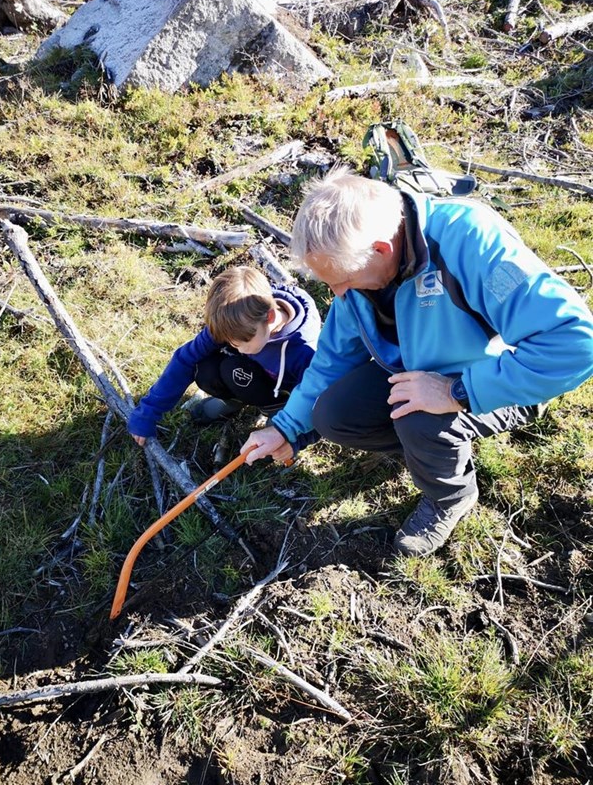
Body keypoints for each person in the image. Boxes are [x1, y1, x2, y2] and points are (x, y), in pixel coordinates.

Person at [241, 166, 593, 556]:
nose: (337, 294)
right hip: (418, 367)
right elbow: (332, 360)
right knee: (332, 415)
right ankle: (431, 448)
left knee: (417, 415)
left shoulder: (470, 243)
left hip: (504, 378)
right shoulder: (358, 277)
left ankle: (450, 495)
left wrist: (457, 391)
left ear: (381, 250)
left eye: (341, 279)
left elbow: (574, 343)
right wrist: (286, 429)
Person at [128, 265, 321, 446]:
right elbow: (185, 359)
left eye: (244, 342)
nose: (240, 348)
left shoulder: (303, 351)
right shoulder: (237, 317)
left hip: (286, 394)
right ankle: (233, 400)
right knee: (205, 366)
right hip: (245, 373)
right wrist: (148, 413)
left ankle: (275, 410)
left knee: (269, 449)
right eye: (231, 343)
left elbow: (317, 400)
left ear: (269, 317)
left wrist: (293, 438)